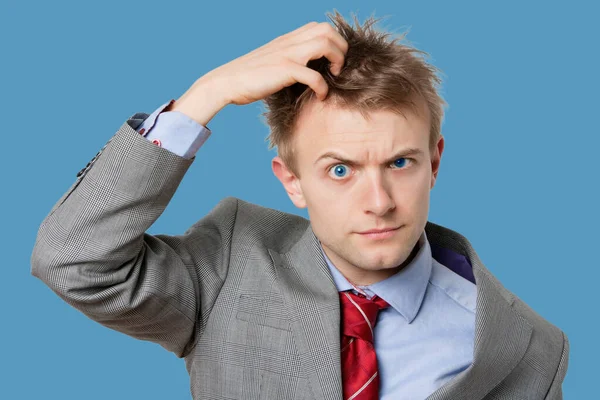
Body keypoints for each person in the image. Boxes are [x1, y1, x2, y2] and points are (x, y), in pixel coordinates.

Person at [31, 10, 569, 400]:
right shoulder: (227, 265)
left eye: (400, 163)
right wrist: (206, 95)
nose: (378, 203)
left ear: (435, 163)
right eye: (340, 170)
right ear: (291, 181)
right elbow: (73, 261)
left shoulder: (524, 349)